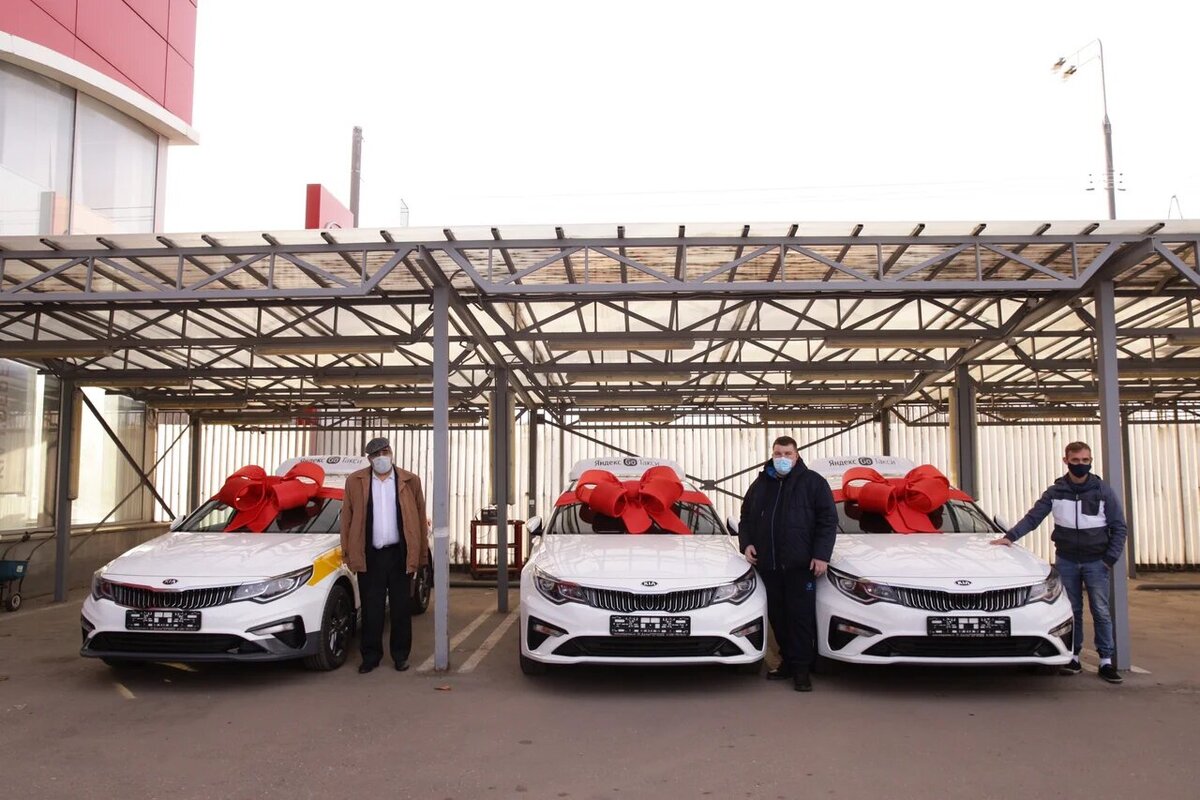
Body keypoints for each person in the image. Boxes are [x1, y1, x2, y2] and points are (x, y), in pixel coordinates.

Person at [991, 441, 1127, 683]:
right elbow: (1033, 518)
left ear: (1091, 461)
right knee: (1071, 611)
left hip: (1097, 561)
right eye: (1076, 461)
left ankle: (1106, 660)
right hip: (1066, 560)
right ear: (1066, 461)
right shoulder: (1055, 492)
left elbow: (1119, 527)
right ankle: (1073, 657)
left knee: (1101, 611)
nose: (1081, 465)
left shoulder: (1102, 491)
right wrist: (1009, 537)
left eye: (1086, 461)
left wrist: (1109, 559)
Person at [738, 436, 837, 692]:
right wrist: (746, 543)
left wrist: (821, 555)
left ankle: (802, 669)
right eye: (778, 453)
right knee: (779, 618)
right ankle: (788, 662)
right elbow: (746, 516)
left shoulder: (813, 483)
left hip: (800, 566)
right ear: (772, 455)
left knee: (800, 618)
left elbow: (827, 521)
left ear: (797, 456)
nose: (782, 458)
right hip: (768, 565)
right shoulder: (761, 483)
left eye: (787, 454)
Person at [340, 438, 429, 674]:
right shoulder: (355, 481)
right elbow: (346, 519)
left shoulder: (409, 481)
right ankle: (370, 656)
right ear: (369, 459)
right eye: (375, 454)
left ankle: (400, 656)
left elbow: (420, 519)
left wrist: (420, 555)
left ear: (391, 453)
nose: (381, 457)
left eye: (384, 452)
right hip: (370, 555)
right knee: (372, 609)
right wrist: (348, 553)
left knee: (401, 608)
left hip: (399, 554)